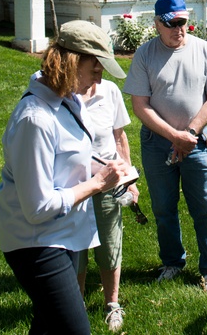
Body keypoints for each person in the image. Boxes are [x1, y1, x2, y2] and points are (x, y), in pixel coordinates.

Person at [0, 20, 131, 335]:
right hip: (36, 243)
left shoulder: (68, 101)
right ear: (72, 63)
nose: (98, 80)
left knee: (46, 327)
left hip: (63, 234)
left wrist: (104, 171)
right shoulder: (36, 119)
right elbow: (38, 208)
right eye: (95, 70)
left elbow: (68, 162)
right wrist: (98, 184)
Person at [123, 0, 207, 292]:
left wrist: (190, 134)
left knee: (206, 207)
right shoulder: (145, 55)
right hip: (158, 144)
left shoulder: (203, 49)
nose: (178, 29)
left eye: (182, 22)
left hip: (197, 143)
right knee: (164, 208)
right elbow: (140, 105)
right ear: (157, 24)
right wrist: (174, 137)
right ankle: (172, 262)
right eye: (170, 24)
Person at [77, 77, 138, 332]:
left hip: (109, 182)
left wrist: (129, 179)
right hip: (74, 184)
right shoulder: (63, 93)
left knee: (110, 242)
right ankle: (75, 305)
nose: (99, 72)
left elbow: (119, 137)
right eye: (95, 64)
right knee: (75, 246)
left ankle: (112, 303)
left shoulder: (109, 90)